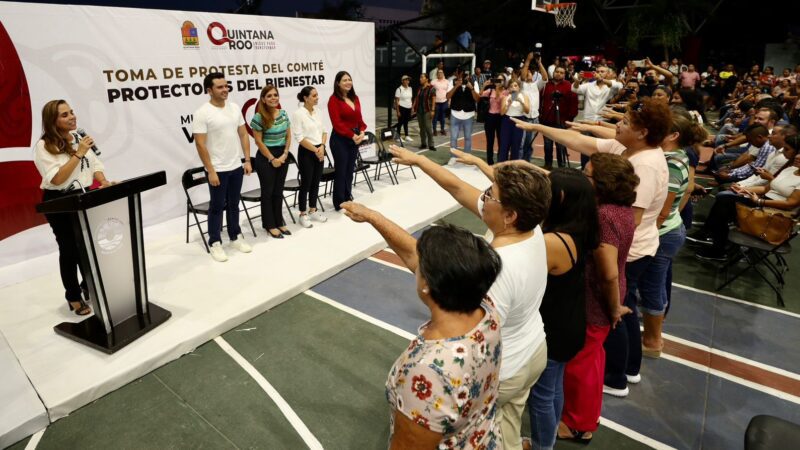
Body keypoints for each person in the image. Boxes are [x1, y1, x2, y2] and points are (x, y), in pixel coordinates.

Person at [396, 146, 551, 450]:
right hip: (534, 349)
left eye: (490, 194)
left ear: (509, 215)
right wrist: (421, 160)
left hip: (506, 369)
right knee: (507, 428)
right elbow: (457, 187)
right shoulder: (531, 229)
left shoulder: (498, 268)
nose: (483, 197)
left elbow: (474, 338)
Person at [514, 98, 671, 397]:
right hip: (618, 247)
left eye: (626, 122)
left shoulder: (645, 166)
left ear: (642, 132)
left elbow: (632, 220)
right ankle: (627, 367)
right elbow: (579, 140)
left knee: (612, 315)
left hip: (627, 250)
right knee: (618, 311)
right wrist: (538, 127)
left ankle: (616, 375)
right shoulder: (626, 150)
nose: (618, 125)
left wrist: (585, 233)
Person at [340, 207, 504, 448]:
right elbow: (413, 254)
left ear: (426, 283)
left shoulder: (427, 372)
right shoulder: (485, 310)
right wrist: (375, 218)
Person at [559, 153, 638, 443]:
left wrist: (614, 306)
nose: (582, 174)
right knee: (593, 359)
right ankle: (582, 417)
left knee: (581, 363)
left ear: (602, 183)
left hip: (597, 299)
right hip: (604, 296)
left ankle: (577, 424)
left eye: (588, 173)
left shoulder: (604, 216)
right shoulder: (622, 210)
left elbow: (607, 272)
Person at [527, 167, 600, 450]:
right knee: (553, 387)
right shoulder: (580, 228)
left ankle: (542, 446)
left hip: (554, 328)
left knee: (542, 396)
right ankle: (547, 440)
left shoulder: (553, 241)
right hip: (570, 321)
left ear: (559, 198)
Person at [34, 100, 113, 315]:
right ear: (53, 120)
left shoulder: (78, 137)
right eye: (65, 115)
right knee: (69, 248)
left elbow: (94, 164)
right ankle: (73, 296)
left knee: (88, 246)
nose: (72, 117)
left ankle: (88, 285)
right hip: (59, 200)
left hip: (82, 196)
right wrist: (78, 153)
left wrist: (103, 180)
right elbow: (57, 179)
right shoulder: (44, 146)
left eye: (72, 112)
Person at [694, 134, 800, 261]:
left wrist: (761, 201)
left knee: (725, 201)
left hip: (776, 212)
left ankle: (717, 243)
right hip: (763, 200)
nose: (797, 156)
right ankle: (716, 240)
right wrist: (743, 189)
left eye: (788, 150)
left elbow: (791, 203)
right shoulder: (790, 169)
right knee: (725, 199)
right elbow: (766, 188)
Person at [193, 72, 253, 262]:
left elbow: (243, 134)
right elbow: (200, 144)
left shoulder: (234, 108)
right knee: (217, 206)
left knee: (234, 204)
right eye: (220, 87)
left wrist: (247, 160)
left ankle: (235, 236)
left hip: (235, 166)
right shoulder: (202, 113)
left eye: (226, 85)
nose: (225, 89)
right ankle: (215, 242)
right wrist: (210, 170)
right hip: (217, 169)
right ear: (209, 90)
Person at [251, 85, 292, 238]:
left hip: (283, 155)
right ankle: (269, 224)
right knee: (268, 192)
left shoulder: (283, 114)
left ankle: (279, 221)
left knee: (278, 190)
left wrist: (285, 153)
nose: (273, 98)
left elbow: (288, 136)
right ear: (263, 99)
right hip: (266, 157)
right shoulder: (258, 117)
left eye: (275, 95)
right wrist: (272, 158)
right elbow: (258, 142)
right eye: (269, 96)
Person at [327, 70, 367, 211]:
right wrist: (352, 135)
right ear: (338, 83)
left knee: (350, 170)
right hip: (340, 140)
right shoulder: (333, 100)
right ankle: (339, 202)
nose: (348, 82)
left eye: (349, 79)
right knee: (341, 170)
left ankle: (347, 196)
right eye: (344, 80)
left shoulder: (355, 98)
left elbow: (360, 120)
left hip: (354, 138)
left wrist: (362, 132)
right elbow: (337, 124)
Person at [571, 65, 622, 167]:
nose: (599, 73)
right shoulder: (589, 85)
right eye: (597, 71)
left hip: (604, 122)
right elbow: (575, 89)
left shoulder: (612, 85)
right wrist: (578, 80)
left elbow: (619, 86)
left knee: (603, 150)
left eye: (602, 71)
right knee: (585, 148)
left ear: (608, 74)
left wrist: (602, 80)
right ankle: (584, 170)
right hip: (588, 121)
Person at [292, 86, 328, 229]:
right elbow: (299, 138)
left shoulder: (318, 111)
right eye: (314, 96)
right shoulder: (298, 114)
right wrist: (316, 150)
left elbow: (324, 131)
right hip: (307, 151)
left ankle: (313, 209)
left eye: (317, 95)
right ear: (305, 98)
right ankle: (302, 213)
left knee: (316, 181)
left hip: (319, 149)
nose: (317, 97)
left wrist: (323, 147)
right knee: (306, 183)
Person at [540, 66, 578, 169]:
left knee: (561, 146)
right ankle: (548, 165)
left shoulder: (569, 86)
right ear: (553, 72)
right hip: (547, 120)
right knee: (547, 146)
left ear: (564, 75)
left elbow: (574, 104)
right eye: (557, 72)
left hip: (561, 121)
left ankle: (562, 167)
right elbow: (540, 100)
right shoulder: (546, 85)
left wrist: (569, 120)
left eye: (561, 72)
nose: (559, 74)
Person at [446, 71, 480, 165]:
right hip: (455, 113)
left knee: (468, 137)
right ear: (458, 75)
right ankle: (453, 157)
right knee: (453, 137)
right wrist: (456, 86)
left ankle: (467, 157)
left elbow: (477, 99)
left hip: (469, 114)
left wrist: (472, 88)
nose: (464, 77)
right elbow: (447, 96)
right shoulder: (452, 82)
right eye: (462, 75)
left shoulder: (474, 83)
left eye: (466, 76)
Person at [520, 52, 549, 162]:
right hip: (523, 117)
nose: (527, 74)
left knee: (529, 144)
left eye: (529, 73)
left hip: (534, 118)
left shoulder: (536, 85)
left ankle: (527, 163)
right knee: (521, 144)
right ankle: (519, 163)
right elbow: (522, 77)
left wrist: (539, 63)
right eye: (526, 72)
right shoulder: (522, 85)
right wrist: (527, 61)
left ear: (533, 75)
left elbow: (545, 78)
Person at [498, 80, 530, 162]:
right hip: (507, 121)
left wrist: (521, 102)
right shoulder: (505, 97)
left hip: (518, 121)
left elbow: (527, 111)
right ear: (508, 88)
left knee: (516, 146)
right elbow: (502, 113)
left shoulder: (524, 97)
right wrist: (508, 104)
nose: (513, 88)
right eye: (511, 86)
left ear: (519, 87)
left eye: (515, 85)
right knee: (504, 146)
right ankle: (502, 166)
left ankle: (513, 168)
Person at [481, 76, 506, 165]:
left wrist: (499, 91)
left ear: (504, 81)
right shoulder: (490, 91)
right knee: (490, 140)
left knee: (501, 140)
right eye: (497, 80)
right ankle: (490, 161)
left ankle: (500, 160)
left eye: (500, 80)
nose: (498, 82)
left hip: (501, 118)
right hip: (490, 117)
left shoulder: (506, 92)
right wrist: (484, 85)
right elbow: (480, 95)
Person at [413, 73, 436, 152]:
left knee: (428, 128)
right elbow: (416, 98)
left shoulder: (431, 88)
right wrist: (413, 107)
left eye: (422, 77)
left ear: (426, 79)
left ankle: (431, 145)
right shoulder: (420, 88)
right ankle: (423, 143)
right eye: (420, 77)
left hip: (427, 110)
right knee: (421, 129)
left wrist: (433, 110)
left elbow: (433, 99)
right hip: (419, 111)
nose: (420, 79)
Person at [431, 69, 451, 136]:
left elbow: (449, 92)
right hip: (436, 102)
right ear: (437, 74)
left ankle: (442, 130)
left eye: (441, 73)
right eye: (438, 73)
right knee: (435, 117)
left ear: (443, 73)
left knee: (443, 117)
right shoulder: (433, 82)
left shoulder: (447, 82)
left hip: (444, 102)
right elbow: (430, 91)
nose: (440, 74)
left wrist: (449, 101)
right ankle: (434, 130)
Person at [394, 75, 413, 143]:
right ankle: (397, 137)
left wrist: (411, 108)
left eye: (408, 80)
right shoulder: (399, 89)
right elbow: (397, 101)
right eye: (406, 80)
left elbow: (410, 99)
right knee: (400, 122)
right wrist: (398, 111)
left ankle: (407, 136)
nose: (408, 81)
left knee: (406, 122)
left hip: (408, 107)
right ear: (402, 81)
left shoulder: (410, 88)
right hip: (401, 107)